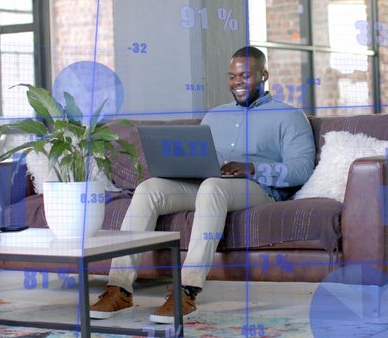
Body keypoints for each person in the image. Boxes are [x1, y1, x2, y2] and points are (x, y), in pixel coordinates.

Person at [89, 46, 315, 323]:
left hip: (257, 188)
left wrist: (253, 168)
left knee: (212, 188)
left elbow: (301, 170)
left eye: (245, 76)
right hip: (208, 181)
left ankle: (187, 290)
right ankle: (119, 289)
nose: (237, 83)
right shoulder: (215, 116)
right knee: (149, 189)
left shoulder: (289, 116)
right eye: (232, 76)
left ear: (264, 75)